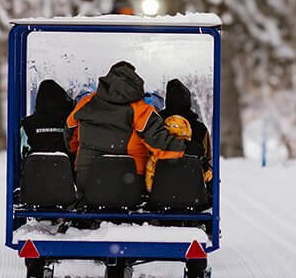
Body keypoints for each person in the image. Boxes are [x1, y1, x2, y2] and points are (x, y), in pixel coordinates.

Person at [65, 61, 185, 189]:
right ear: (135, 83)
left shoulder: (86, 103)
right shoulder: (141, 109)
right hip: (126, 184)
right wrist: (182, 148)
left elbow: (70, 134)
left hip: (87, 181)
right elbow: (163, 146)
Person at [161, 78, 213, 180]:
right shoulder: (200, 129)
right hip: (193, 187)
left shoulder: (158, 124)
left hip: (161, 184)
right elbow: (208, 158)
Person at [21, 79, 73, 159]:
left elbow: (23, 150)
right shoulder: (69, 121)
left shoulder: (28, 123)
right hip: (66, 169)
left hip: (34, 169)